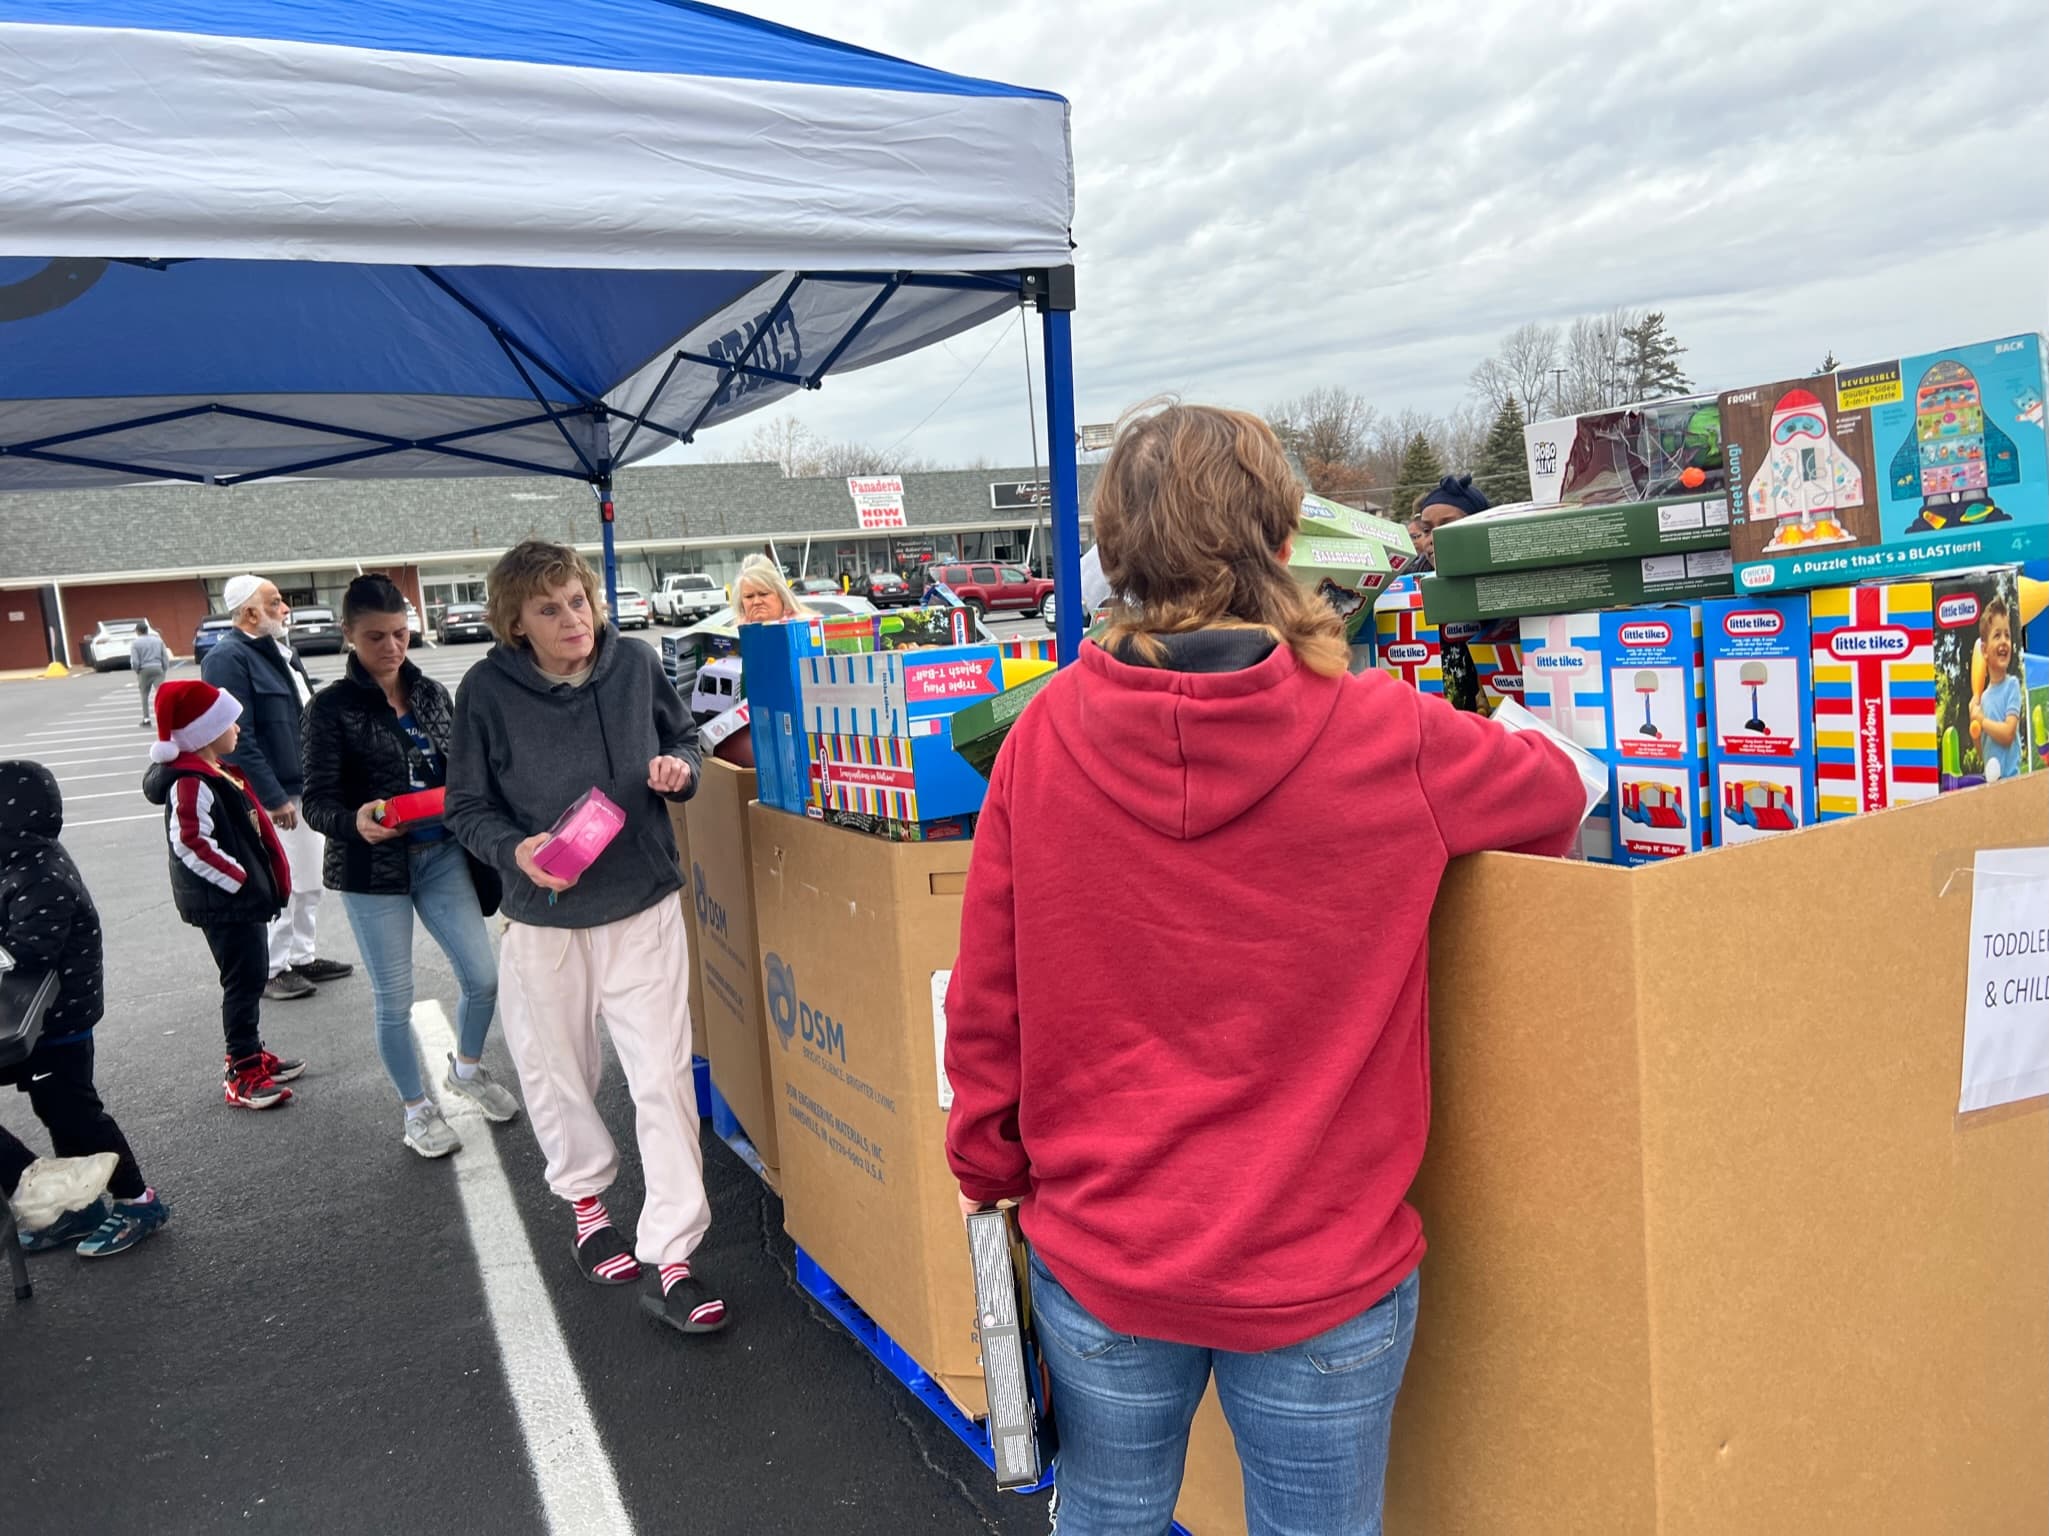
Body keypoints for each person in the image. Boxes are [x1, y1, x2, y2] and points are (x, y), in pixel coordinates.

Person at [942, 404, 1587, 1535]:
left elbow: (988, 1000)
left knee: (1104, 1514)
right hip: (1320, 1264)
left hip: (1103, 1250)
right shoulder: (1394, 737)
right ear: (1284, 543)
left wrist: (986, 1163)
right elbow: (1561, 791)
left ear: (1116, 557)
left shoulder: (1040, 741)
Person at [446, 540, 726, 1336]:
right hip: (543, 921)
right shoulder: (485, 692)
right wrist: (518, 852)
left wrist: (679, 769)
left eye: (577, 600)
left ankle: (672, 1252)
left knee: (661, 1078)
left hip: (641, 907)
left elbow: (687, 741)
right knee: (558, 1073)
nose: (572, 619)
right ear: (515, 622)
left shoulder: (634, 664)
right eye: (549, 608)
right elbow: (466, 806)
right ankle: (587, 1206)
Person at [301, 576, 519, 1159]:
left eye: (400, 634)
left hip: (443, 853)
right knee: (394, 997)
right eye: (375, 637)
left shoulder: (429, 692)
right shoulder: (329, 708)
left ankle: (466, 1072)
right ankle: (416, 1110)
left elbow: (465, 775)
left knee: (483, 977)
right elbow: (316, 800)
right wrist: (356, 821)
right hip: (374, 869)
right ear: (348, 635)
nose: (392, 647)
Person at [0, 761, 169, 1255]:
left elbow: (30, 951)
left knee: (76, 1113)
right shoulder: (18, 858)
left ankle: (138, 1201)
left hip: (57, 1019)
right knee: (57, 1110)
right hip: (34, 1016)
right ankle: (79, 1206)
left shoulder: (39, 871)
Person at [141, 681, 305, 1110]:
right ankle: (242, 1071)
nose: (237, 727)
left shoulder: (216, 770)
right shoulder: (190, 782)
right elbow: (191, 842)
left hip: (238, 901)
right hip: (227, 904)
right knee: (242, 981)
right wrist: (242, 881)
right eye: (227, 721)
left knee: (251, 976)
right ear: (201, 732)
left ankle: (251, 1052)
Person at [201, 573, 354, 1002]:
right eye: (275, 602)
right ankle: (271, 968)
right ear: (249, 613)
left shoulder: (278, 651)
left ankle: (301, 956)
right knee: (285, 882)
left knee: (310, 880)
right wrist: (271, 796)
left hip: (306, 784)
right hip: (277, 792)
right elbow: (237, 736)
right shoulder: (227, 659)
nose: (285, 609)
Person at [1973, 595, 2025, 781]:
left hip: (2012, 781)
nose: (2004, 641)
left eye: (2007, 635)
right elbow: (1982, 752)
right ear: (1985, 651)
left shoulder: (2011, 686)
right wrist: (1975, 725)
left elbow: (2008, 734)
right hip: (1992, 783)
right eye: (1997, 635)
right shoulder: (1983, 698)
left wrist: (1982, 720)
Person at [734, 554, 809, 625]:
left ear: (782, 595)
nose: (757, 602)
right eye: (749, 596)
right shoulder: (734, 634)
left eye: (763, 594)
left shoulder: (806, 628)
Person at [128, 624, 170, 727]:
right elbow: (165, 656)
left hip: (144, 670)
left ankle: (146, 719)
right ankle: (166, 718)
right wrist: (164, 669)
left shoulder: (135, 643)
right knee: (162, 695)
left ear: (138, 631)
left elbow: (135, 660)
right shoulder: (158, 641)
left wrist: (137, 670)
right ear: (147, 630)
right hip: (157, 667)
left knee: (144, 695)